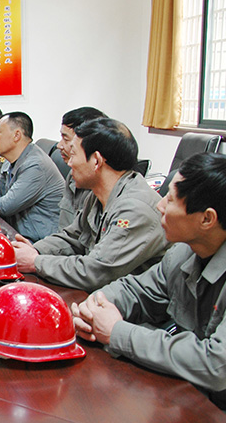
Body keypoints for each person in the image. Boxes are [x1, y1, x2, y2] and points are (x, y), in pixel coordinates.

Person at [72, 152, 226, 408]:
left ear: (207, 219)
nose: (160, 206)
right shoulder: (184, 252)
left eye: (171, 199)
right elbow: (136, 290)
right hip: (191, 397)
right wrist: (96, 306)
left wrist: (116, 332)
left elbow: (216, 364)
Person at [12, 117, 168, 291]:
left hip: (126, 302)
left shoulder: (135, 209)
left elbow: (97, 271)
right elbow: (72, 238)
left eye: (73, 155)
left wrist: (36, 262)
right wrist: (33, 250)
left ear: (96, 161)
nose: (69, 163)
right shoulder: (98, 194)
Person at [0, 112, 64, 242]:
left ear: (16, 135)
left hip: (36, 242)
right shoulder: (10, 160)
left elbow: (5, 206)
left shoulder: (35, 166)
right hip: (15, 231)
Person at [57, 107, 107, 228]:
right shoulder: (73, 174)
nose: (59, 145)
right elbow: (68, 232)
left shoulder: (104, 190)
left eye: (66, 139)